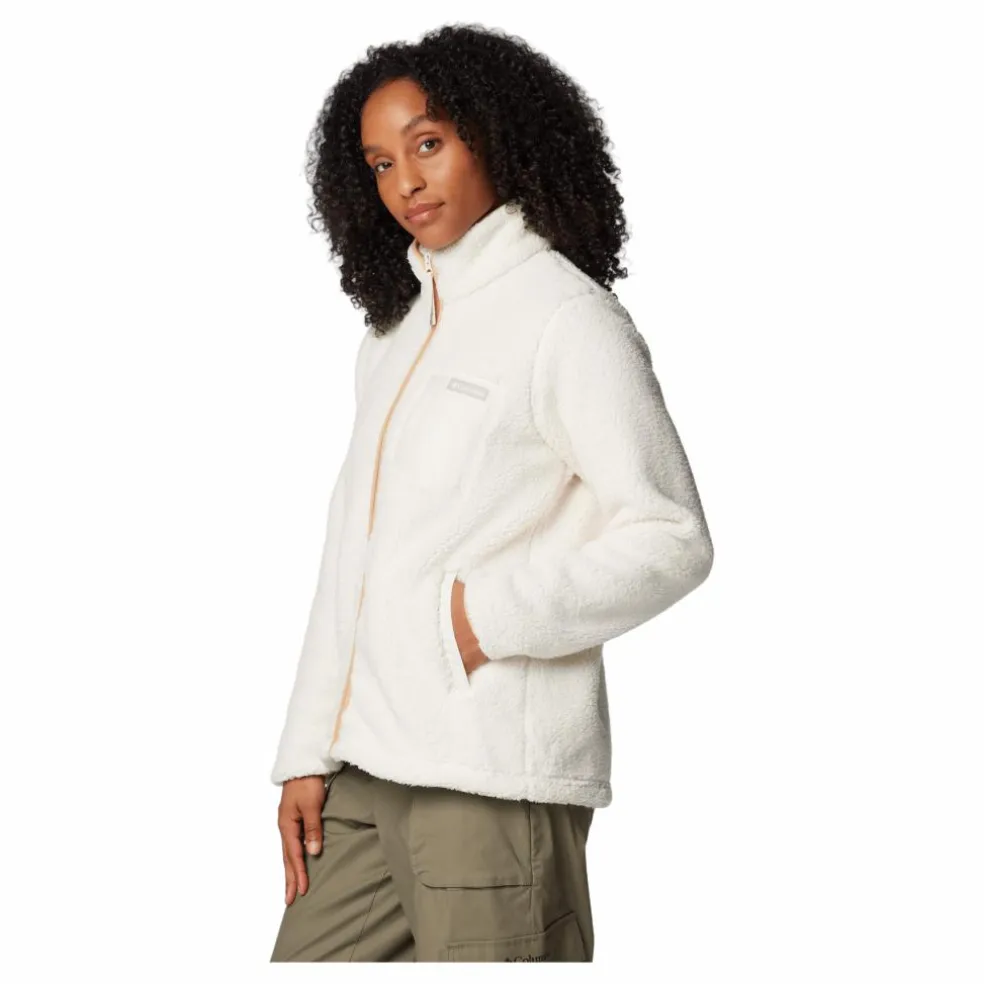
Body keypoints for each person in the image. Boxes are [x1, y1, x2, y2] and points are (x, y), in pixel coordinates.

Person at [269, 23, 714, 962]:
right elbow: (351, 553)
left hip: (489, 777)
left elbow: (670, 535)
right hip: (365, 772)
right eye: (380, 163)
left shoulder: (566, 318)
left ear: (494, 136)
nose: (406, 182)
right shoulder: (394, 333)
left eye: (428, 143)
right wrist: (307, 750)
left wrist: (477, 620)